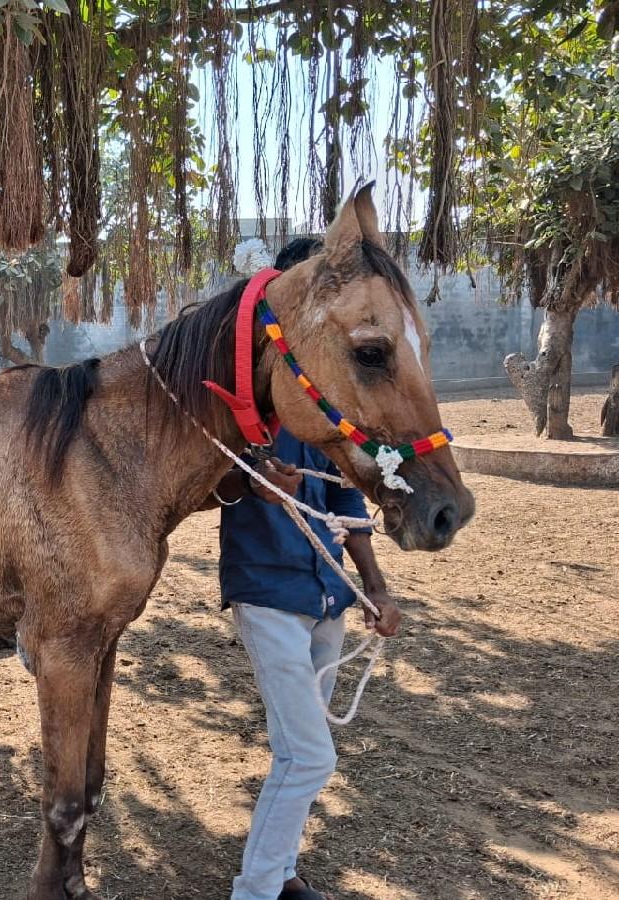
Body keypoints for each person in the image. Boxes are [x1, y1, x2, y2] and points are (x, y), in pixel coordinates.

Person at [216, 238, 401, 900]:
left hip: (327, 596)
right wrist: (254, 481)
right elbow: (213, 479)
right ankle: (258, 890)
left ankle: (282, 870)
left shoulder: (335, 403)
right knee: (310, 756)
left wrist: (374, 587)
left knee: (303, 748)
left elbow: (347, 499)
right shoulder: (247, 398)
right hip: (268, 590)